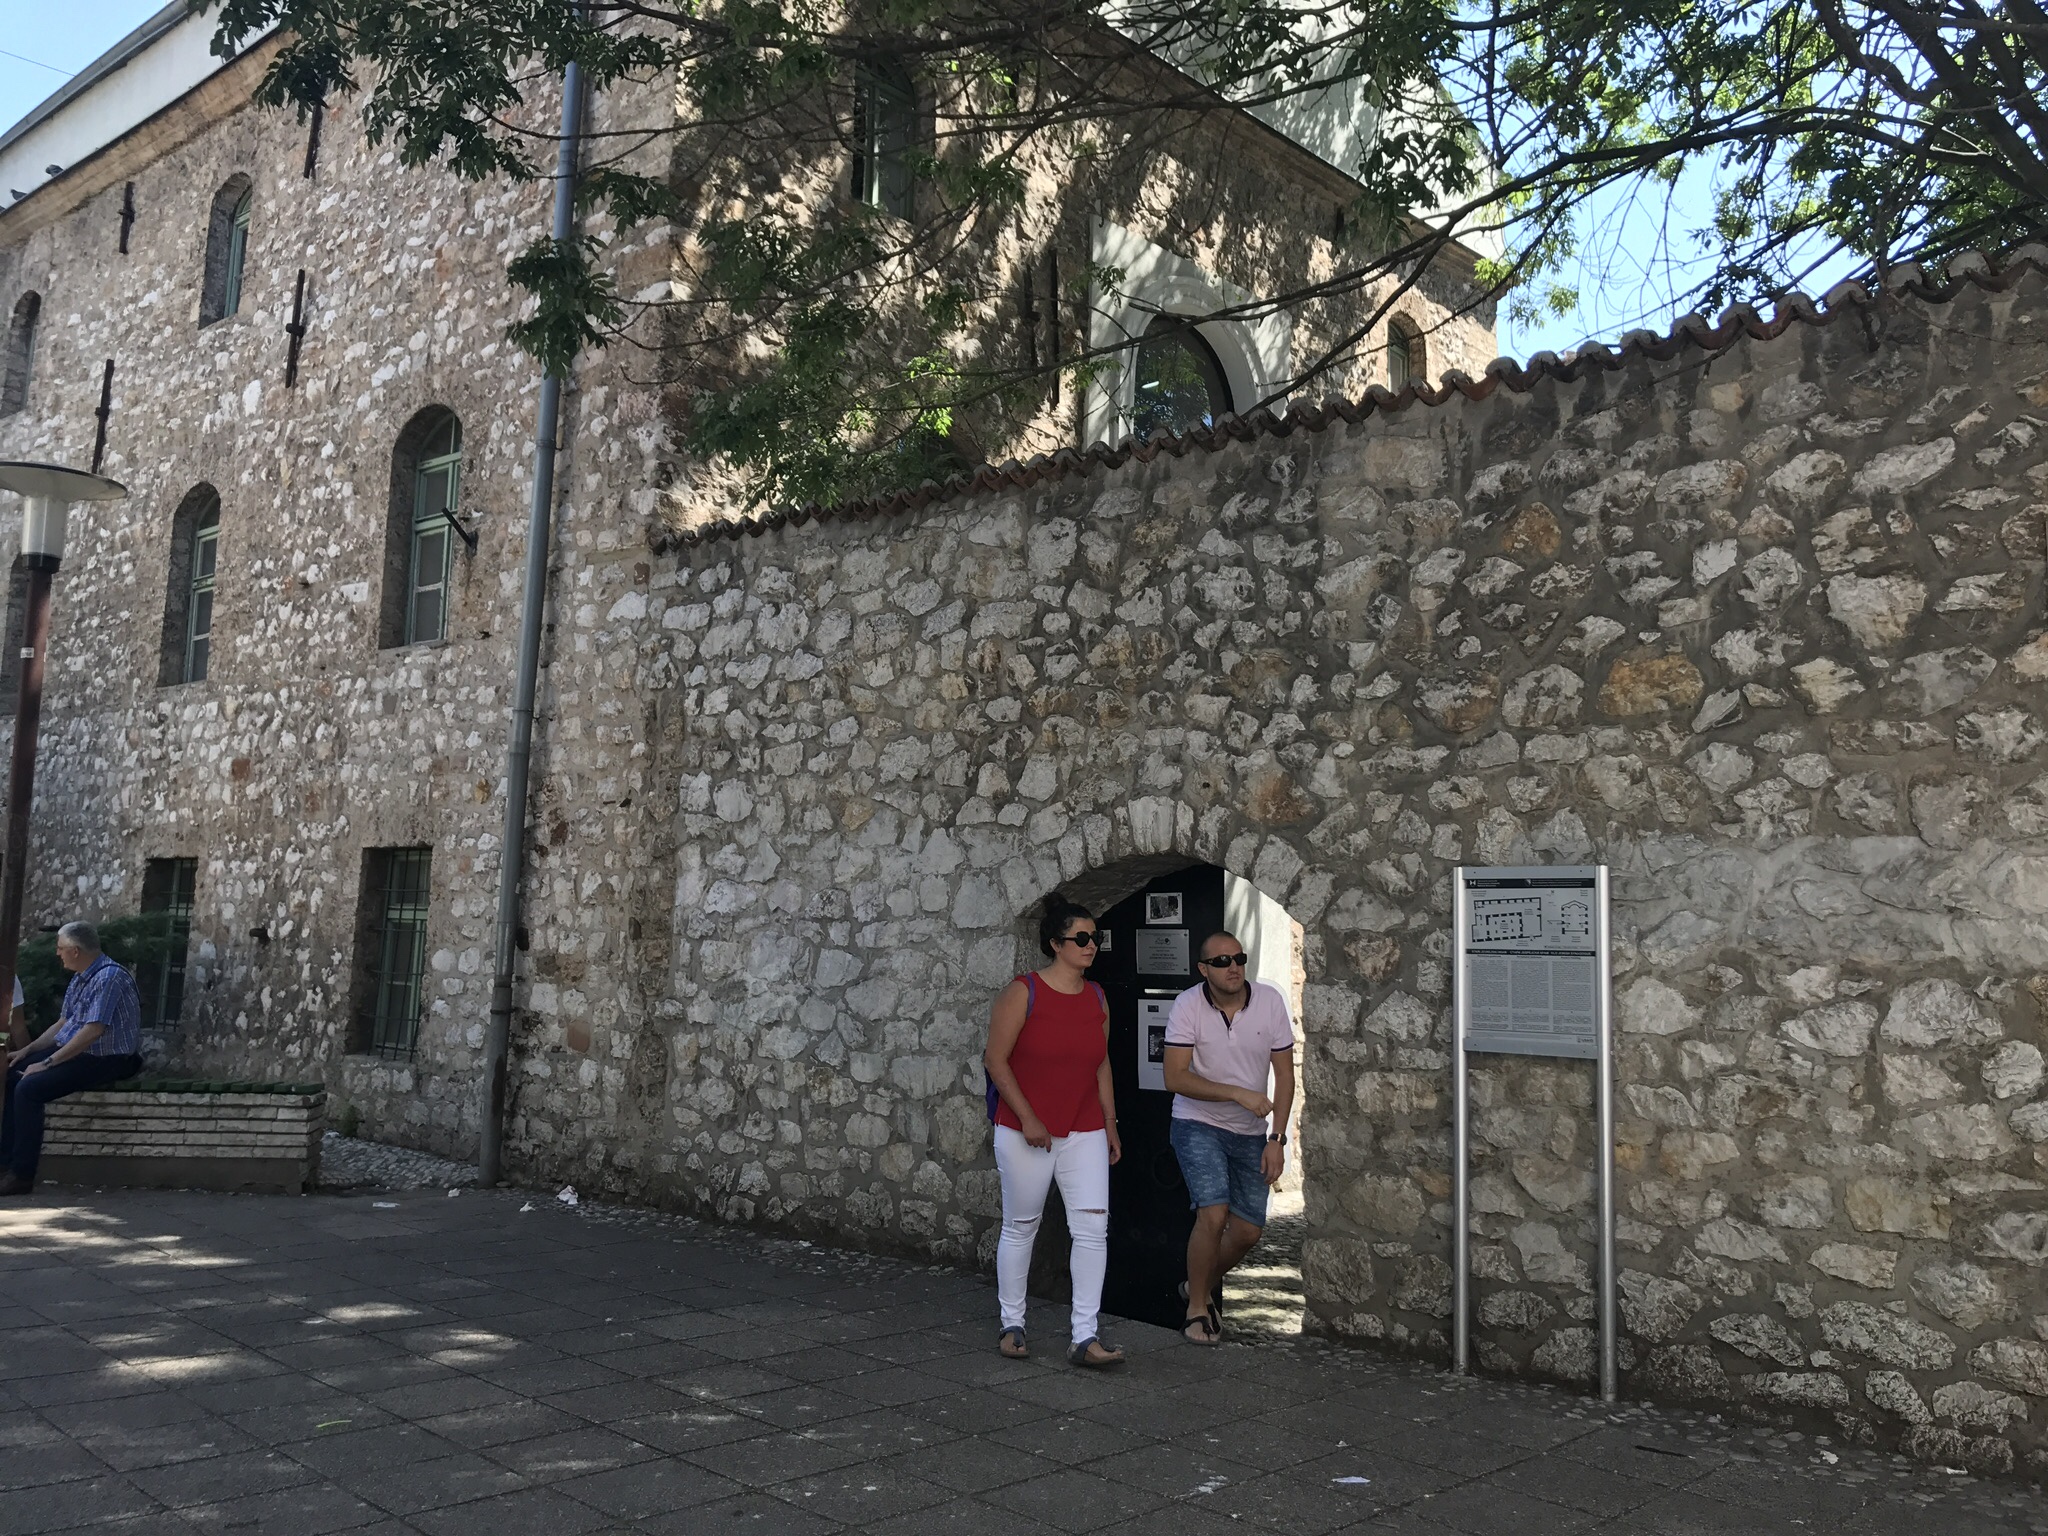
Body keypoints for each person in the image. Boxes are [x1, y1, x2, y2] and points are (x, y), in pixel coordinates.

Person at [983, 894, 1125, 1367]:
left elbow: (1101, 1063)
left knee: (1092, 1230)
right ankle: (1012, 1324)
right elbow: (995, 1061)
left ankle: (1085, 1336)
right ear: (1055, 944)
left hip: (1083, 1126)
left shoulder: (1098, 997)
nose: (1091, 946)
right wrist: (1027, 1117)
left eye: (1094, 938)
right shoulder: (1024, 992)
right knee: (1022, 1227)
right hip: (1026, 1130)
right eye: (1081, 939)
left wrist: (1110, 1124)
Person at [1163, 929, 1296, 1344]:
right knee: (1213, 1214)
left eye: (1238, 958)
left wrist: (1278, 1140)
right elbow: (1175, 1077)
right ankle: (1197, 1309)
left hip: (1251, 1132)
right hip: (1197, 1122)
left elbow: (1286, 1076)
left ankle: (1195, 1285)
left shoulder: (1270, 1001)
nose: (1233, 967)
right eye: (1221, 962)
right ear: (1204, 969)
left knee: (1248, 1232)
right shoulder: (1187, 1005)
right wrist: (1237, 1093)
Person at [0, 922, 143, 1196]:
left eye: (61, 948)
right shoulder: (81, 977)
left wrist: (47, 1063)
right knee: (13, 1071)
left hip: (109, 1059)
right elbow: (64, 1024)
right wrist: (28, 1053)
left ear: (76, 951)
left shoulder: (109, 977)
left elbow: (92, 1031)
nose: (57, 953)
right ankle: (5, 1163)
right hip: (82, 1052)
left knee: (29, 1089)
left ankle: (21, 1175)